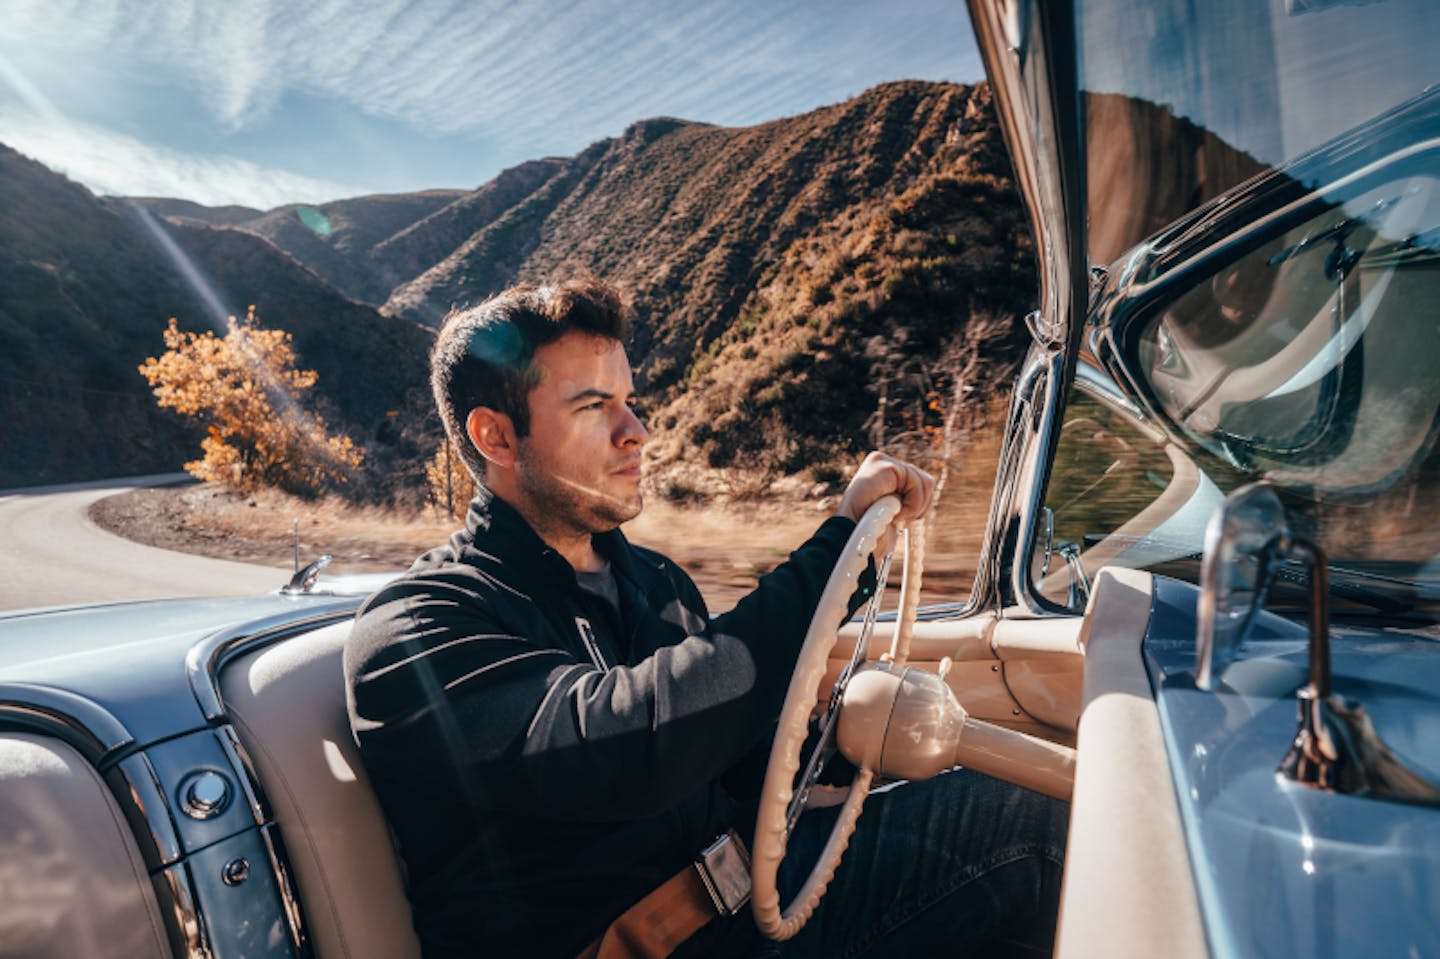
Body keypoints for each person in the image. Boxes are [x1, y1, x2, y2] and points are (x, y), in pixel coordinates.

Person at [344, 278, 1067, 959]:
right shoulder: (415, 631)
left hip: (755, 900)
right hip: (659, 943)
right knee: (1025, 828)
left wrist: (839, 741)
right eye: (594, 406)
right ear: (497, 438)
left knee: (1036, 803)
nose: (637, 430)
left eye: (630, 399)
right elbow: (631, 749)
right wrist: (835, 551)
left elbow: (736, 759)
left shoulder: (654, 580)